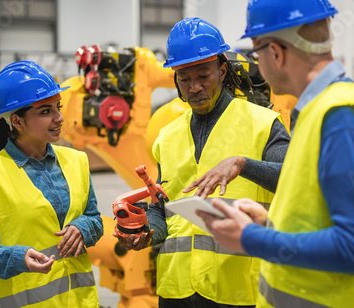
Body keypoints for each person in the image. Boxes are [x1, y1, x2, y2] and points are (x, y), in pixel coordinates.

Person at [197, 1, 354, 307]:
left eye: (256, 53)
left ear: (276, 53)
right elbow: (325, 221)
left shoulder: (340, 119)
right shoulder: (321, 112)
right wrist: (270, 224)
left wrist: (251, 238)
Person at [116, 17, 290, 307]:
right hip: (177, 290)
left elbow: (292, 179)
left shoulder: (263, 124)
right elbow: (163, 207)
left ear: (222, 71)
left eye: (203, 75)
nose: (194, 87)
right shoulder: (167, 136)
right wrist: (148, 233)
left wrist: (243, 164)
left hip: (238, 289)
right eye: (184, 78)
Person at [0, 60, 103, 307]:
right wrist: (17, 258)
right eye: (45, 111)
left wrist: (83, 227)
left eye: (57, 107)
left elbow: (94, 217)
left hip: (80, 301)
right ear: (17, 121)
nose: (59, 118)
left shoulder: (77, 161)